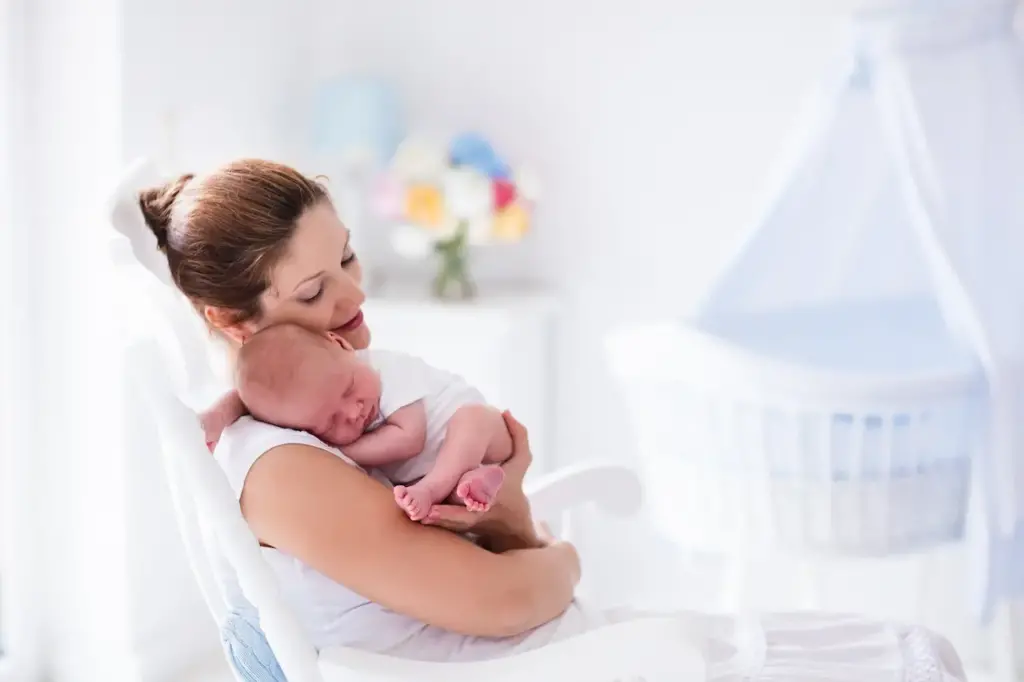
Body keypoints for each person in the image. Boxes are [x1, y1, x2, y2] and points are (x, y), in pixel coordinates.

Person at [137, 158, 969, 678]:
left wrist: (510, 519)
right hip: (504, 654)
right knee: (901, 661)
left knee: (906, 650)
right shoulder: (283, 471)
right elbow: (505, 601)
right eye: (315, 292)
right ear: (232, 321)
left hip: (529, 640)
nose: (356, 296)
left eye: (348, 256)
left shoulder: (347, 406)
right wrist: (561, 556)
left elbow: (497, 558)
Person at [226, 322, 511, 520]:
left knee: (472, 417)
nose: (353, 412)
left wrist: (340, 451)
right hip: (439, 477)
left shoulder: (387, 368)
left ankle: (441, 486)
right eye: (329, 423)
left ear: (340, 344)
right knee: (449, 503)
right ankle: (472, 486)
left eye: (348, 388)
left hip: (486, 437)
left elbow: (410, 438)